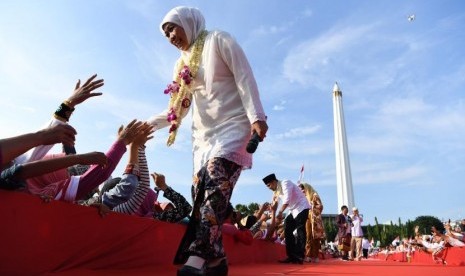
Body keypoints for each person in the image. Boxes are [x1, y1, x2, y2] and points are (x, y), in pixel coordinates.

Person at [147, 6, 268, 276]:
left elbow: (244, 76)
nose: (170, 36)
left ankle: (197, 258)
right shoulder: (181, 65)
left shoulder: (218, 39)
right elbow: (178, 108)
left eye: (172, 28)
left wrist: (257, 116)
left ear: (188, 23)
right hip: (203, 139)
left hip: (235, 126)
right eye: (165, 33)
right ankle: (217, 260)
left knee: (215, 184)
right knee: (199, 197)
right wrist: (148, 124)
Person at [263, 173, 310, 264]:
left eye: (269, 185)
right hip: (293, 210)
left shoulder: (285, 183)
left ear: (273, 182)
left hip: (302, 206)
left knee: (300, 229)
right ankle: (291, 255)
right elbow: (275, 202)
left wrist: (280, 212)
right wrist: (271, 209)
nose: (268, 187)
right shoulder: (276, 191)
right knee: (287, 229)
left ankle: (300, 255)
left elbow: (287, 199)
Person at [299, 182, 326, 263]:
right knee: (308, 236)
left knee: (316, 238)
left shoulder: (314, 195)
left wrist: (312, 207)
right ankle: (308, 255)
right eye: (301, 189)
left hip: (314, 219)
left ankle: (315, 256)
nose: (302, 190)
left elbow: (320, 206)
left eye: (303, 188)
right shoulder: (302, 197)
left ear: (307, 188)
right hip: (306, 218)